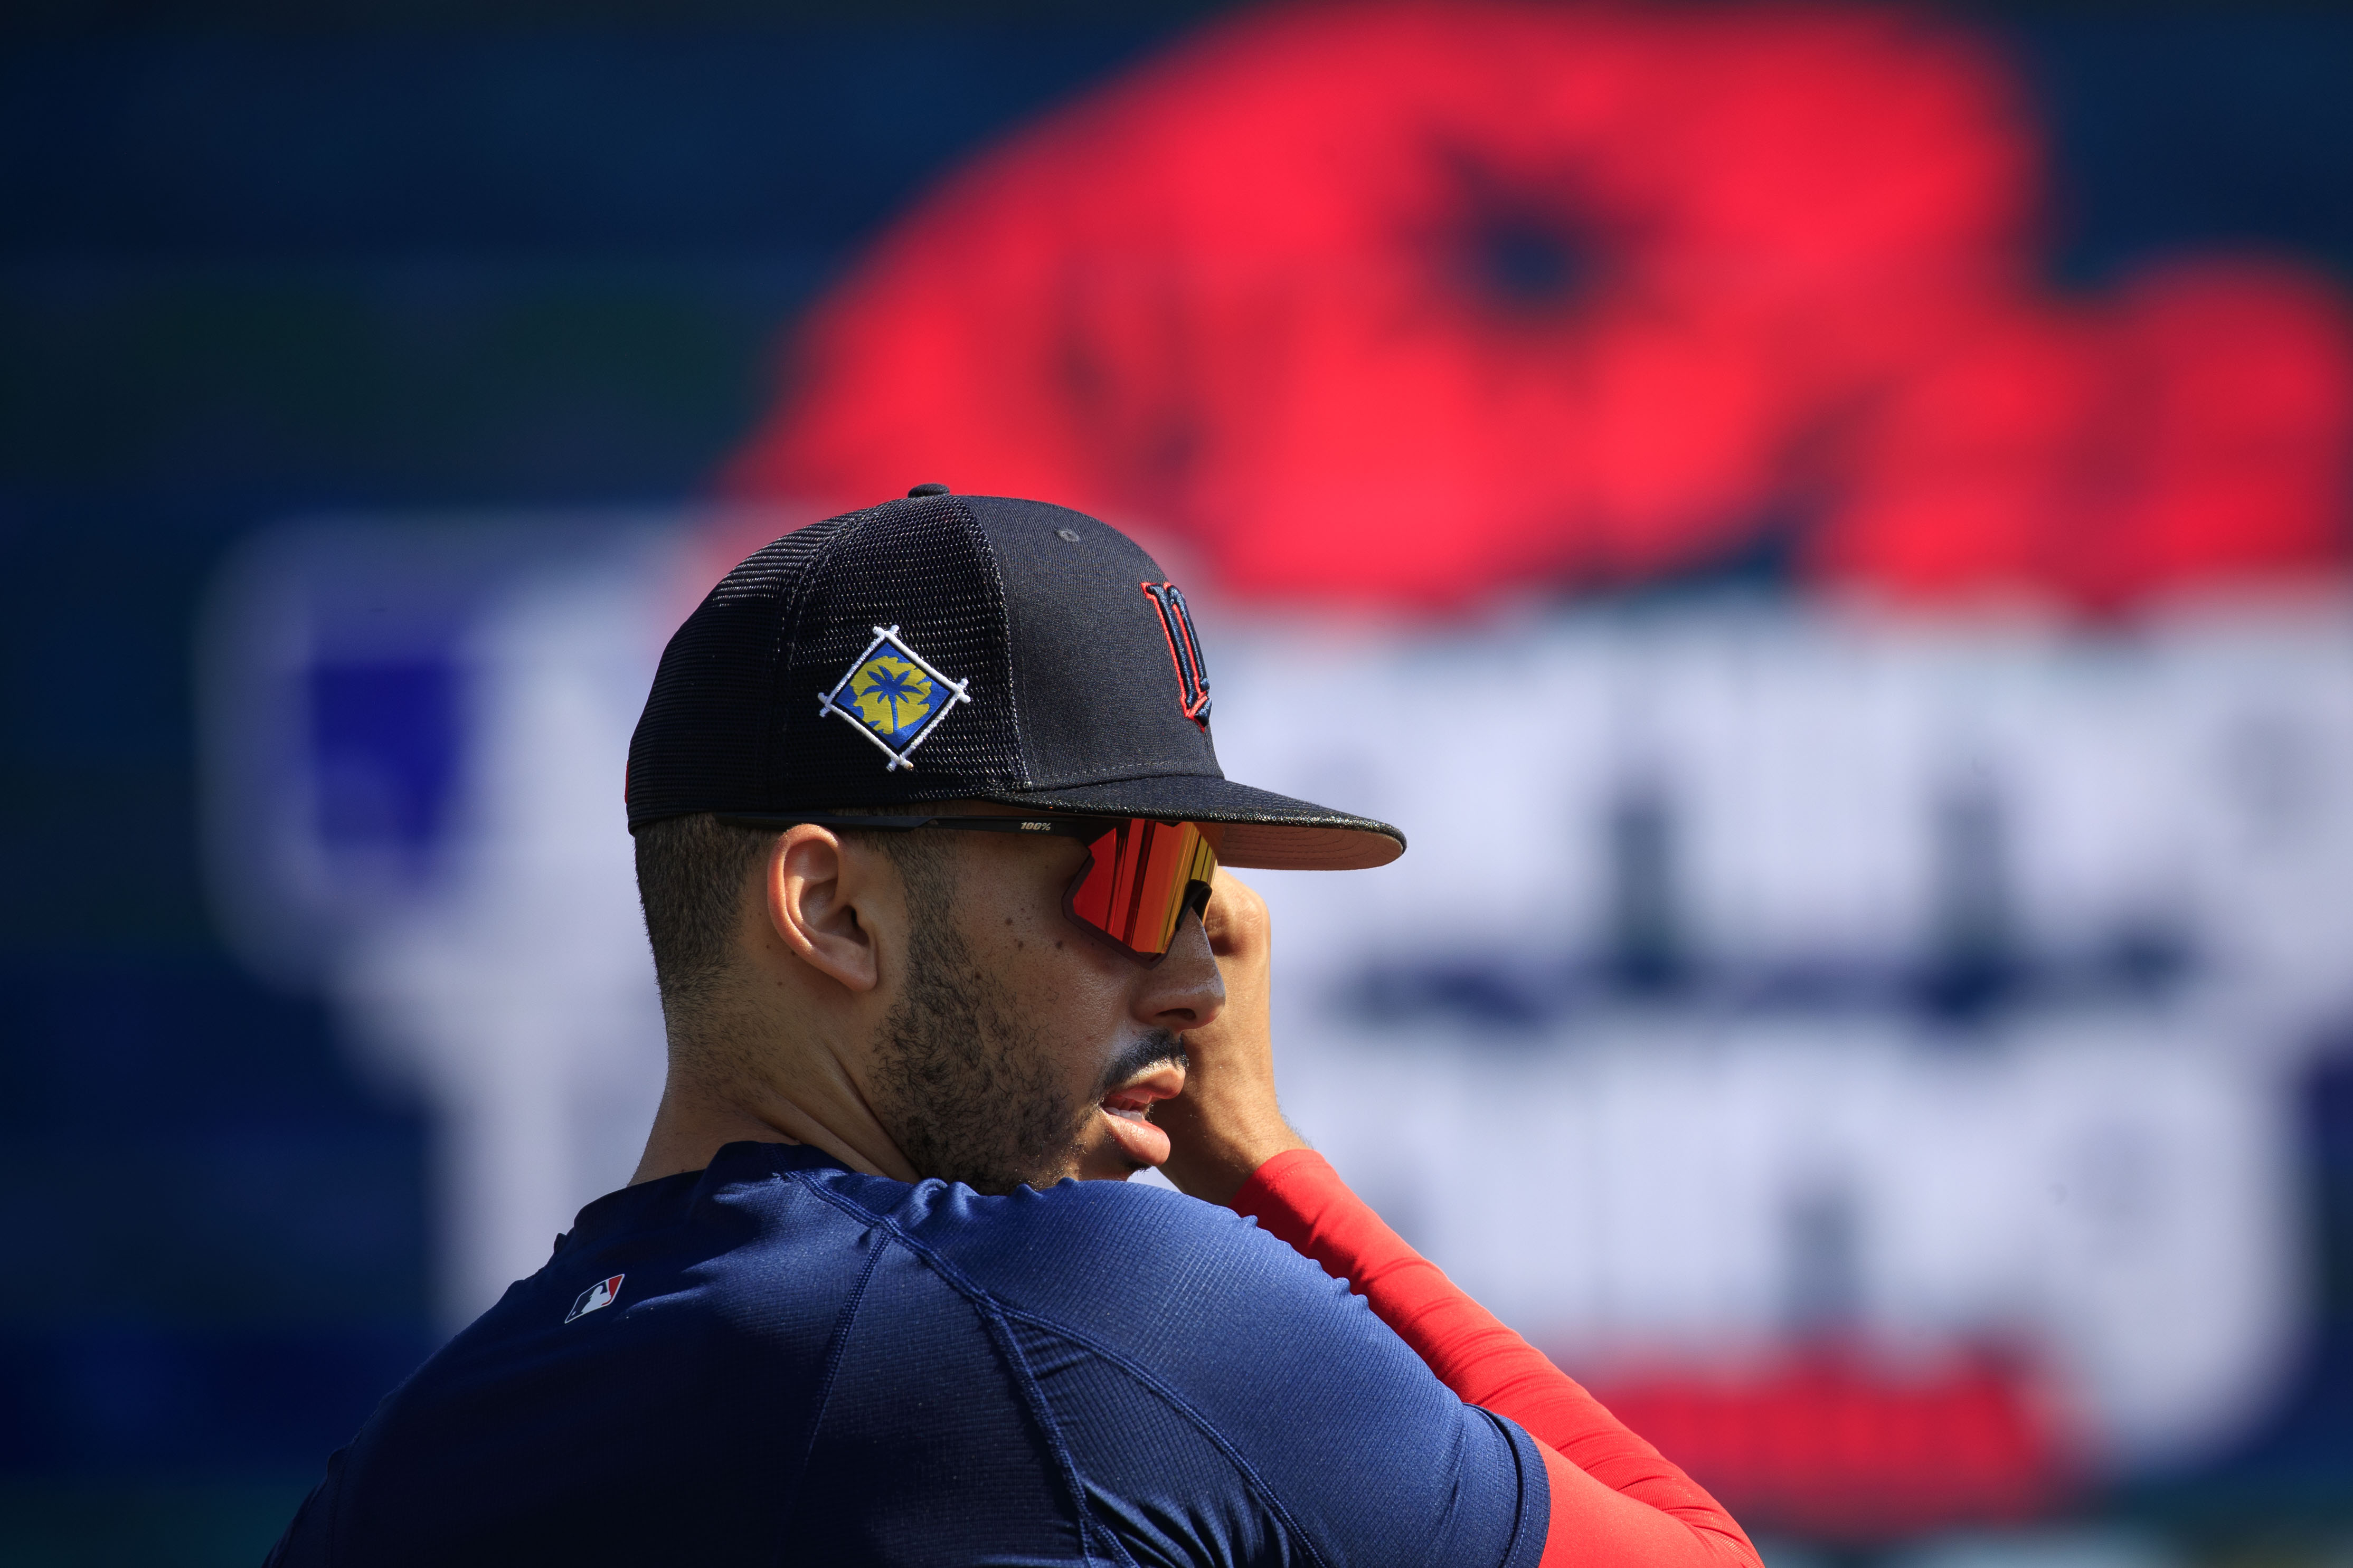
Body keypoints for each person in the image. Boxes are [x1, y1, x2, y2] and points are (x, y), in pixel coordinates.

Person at [267, 488, 1762, 1566]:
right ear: (833, 912)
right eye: (1127, 874)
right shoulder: (1105, 1309)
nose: (1199, 979)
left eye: (1202, 888)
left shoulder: (409, 1464)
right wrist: (1261, 1167)